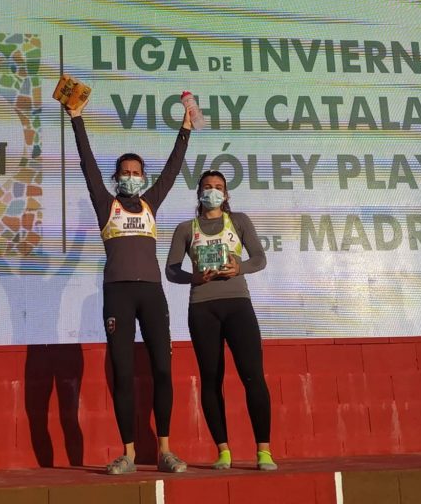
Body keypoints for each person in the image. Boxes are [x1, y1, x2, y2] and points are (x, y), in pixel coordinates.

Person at [64, 97, 192, 474]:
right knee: (121, 371)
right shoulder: (107, 205)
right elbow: (87, 163)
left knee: (162, 371)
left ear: (143, 178)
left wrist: (185, 129)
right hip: (118, 293)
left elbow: (172, 169)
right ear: (116, 177)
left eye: (136, 172)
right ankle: (130, 453)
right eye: (124, 172)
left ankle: (165, 450)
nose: (131, 176)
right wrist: (77, 118)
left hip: (151, 293)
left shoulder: (151, 202)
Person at [165, 170, 277, 471]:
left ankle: (263, 451)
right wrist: (194, 277)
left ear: (225, 195)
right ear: (198, 193)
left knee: (252, 375)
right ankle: (223, 451)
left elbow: (260, 259)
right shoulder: (185, 229)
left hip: (238, 304)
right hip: (202, 307)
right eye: (207, 187)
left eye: (218, 188)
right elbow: (171, 270)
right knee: (211, 380)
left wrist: (239, 268)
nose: (212, 192)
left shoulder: (238, 221)